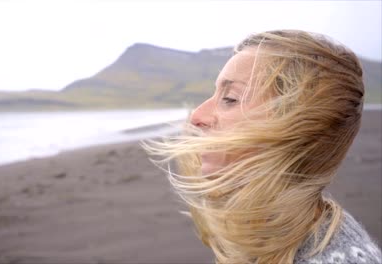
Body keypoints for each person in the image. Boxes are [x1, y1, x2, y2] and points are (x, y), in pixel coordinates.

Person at [143, 30, 382, 264]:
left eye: (230, 99)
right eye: (215, 95)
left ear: (298, 126)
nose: (196, 115)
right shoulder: (258, 238)